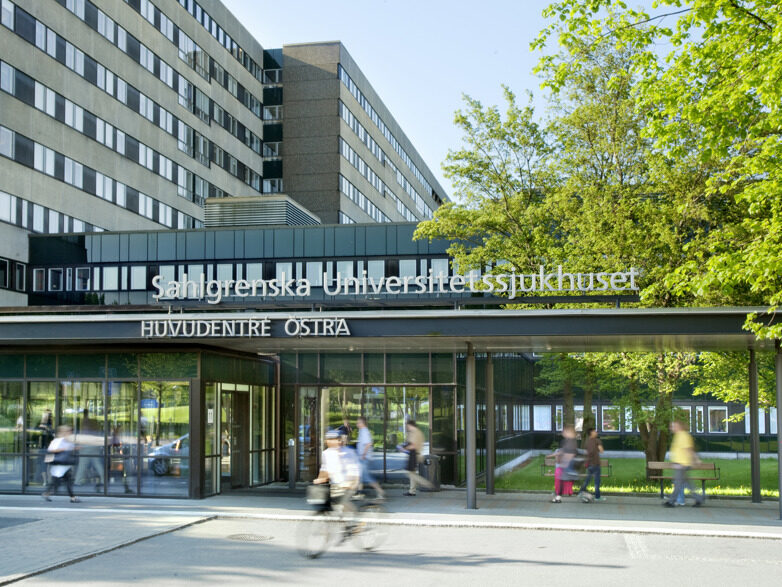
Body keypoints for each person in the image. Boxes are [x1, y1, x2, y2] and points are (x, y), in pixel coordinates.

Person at [313, 429, 360, 515]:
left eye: (334, 439)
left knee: (344, 503)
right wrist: (320, 479)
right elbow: (324, 469)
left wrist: (351, 483)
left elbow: (354, 469)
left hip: (348, 484)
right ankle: (343, 518)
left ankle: (357, 519)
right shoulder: (326, 453)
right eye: (329, 439)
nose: (331, 442)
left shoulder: (348, 452)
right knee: (331, 504)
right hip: (335, 485)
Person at [664, 419, 705, 507]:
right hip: (679, 464)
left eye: (673, 426)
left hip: (682, 464)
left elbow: (689, 449)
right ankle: (699, 498)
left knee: (678, 484)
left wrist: (696, 460)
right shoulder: (678, 435)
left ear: (679, 426)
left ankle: (671, 502)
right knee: (687, 484)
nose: (671, 428)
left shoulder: (683, 436)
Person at [43, 425, 79, 503]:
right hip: (59, 464)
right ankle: (47, 493)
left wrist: (74, 448)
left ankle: (72, 497)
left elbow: (70, 449)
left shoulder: (68, 441)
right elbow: (51, 450)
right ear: (64, 432)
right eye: (69, 431)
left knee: (66, 481)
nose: (70, 433)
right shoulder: (58, 440)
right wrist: (64, 449)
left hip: (65, 464)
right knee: (57, 481)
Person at [356, 416, 385, 500]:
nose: (357, 424)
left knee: (367, 477)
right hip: (363, 457)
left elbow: (368, 444)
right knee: (360, 476)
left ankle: (380, 492)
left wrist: (363, 454)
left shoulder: (365, 431)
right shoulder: (362, 431)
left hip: (364, 458)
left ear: (363, 423)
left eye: (358, 422)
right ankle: (359, 492)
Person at [75, 408, 104, 490]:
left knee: (82, 464)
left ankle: (78, 481)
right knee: (97, 464)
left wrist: (79, 444)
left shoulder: (84, 422)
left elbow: (83, 433)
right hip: (94, 445)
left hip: (86, 445)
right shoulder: (94, 422)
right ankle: (103, 480)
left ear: (84, 414)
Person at [402, 419, 431, 496]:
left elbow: (413, 445)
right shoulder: (416, 432)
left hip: (414, 454)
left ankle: (425, 483)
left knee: (411, 474)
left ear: (410, 425)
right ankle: (412, 491)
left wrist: (404, 448)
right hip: (415, 454)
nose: (407, 427)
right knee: (412, 473)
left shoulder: (415, 433)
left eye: (407, 426)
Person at [552, 425, 578, 503]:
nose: (564, 433)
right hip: (567, 465)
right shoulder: (567, 441)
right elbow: (564, 452)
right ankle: (558, 497)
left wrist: (566, 462)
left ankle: (584, 492)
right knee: (562, 480)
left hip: (569, 465)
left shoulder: (571, 441)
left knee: (566, 480)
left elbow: (572, 453)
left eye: (565, 432)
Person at [578, 427, 605, 502]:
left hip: (589, 463)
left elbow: (587, 452)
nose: (596, 432)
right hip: (596, 463)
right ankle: (597, 497)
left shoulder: (586, 441)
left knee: (587, 480)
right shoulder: (597, 440)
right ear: (591, 433)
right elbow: (601, 451)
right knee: (597, 481)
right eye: (595, 431)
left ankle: (580, 492)